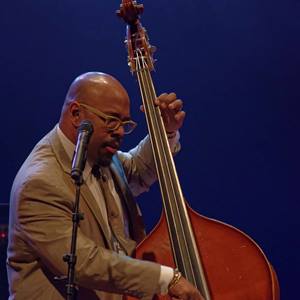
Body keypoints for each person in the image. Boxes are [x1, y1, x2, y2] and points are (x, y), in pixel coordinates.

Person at [7, 72, 204, 300]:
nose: (120, 132)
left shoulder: (100, 154)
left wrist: (165, 132)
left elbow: (137, 169)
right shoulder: (38, 183)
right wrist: (166, 279)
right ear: (76, 114)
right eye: (111, 121)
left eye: (124, 123)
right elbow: (84, 262)